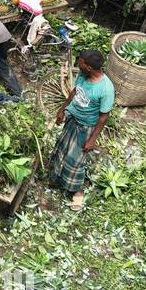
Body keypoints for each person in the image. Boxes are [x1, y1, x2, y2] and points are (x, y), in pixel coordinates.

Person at [46, 49, 114, 210]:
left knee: (76, 160)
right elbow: (74, 92)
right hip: (72, 120)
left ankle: (77, 191)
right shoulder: (83, 76)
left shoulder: (106, 89)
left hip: (86, 127)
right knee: (61, 149)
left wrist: (92, 140)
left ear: (89, 67)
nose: (78, 64)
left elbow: (104, 117)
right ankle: (57, 178)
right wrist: (63, 109)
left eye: (80, 62)